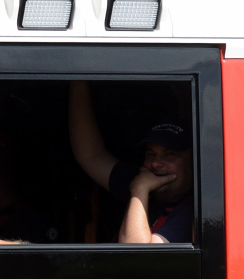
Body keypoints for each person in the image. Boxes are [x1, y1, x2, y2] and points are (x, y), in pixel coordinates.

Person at [67, 80, 194, 244]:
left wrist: (139, 190)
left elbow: (139, 255)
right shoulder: (146, 182)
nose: (156, 163)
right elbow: (91, 155)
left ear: (192, 162)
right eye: (151, 154)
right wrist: (78, 78)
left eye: (170, 155)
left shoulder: (192, 210)